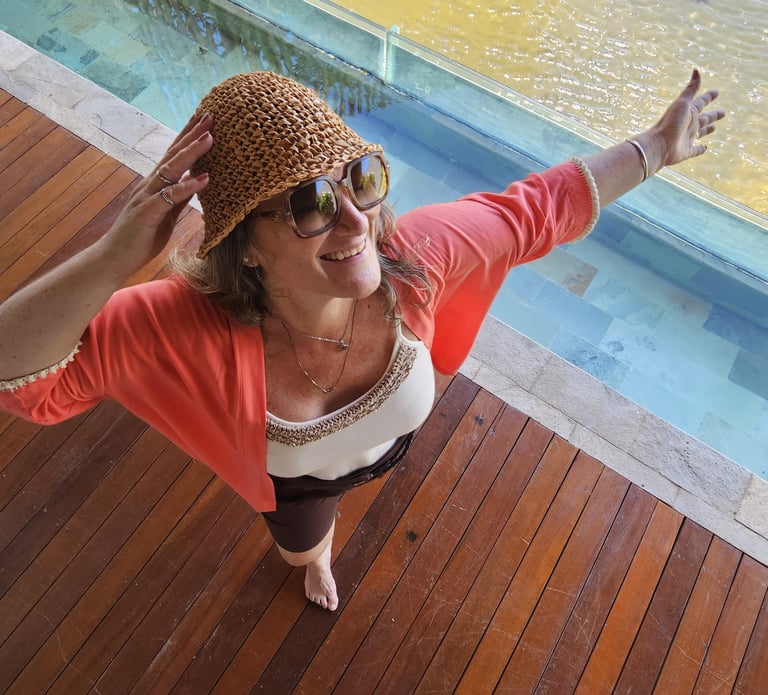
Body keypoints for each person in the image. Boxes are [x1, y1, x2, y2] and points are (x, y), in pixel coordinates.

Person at [0, 69, 724, 611]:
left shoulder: (420, 257)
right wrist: (110, 260)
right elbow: (22, 379)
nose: (356, 221)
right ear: (246, 246)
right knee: (302, 545)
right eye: (311, 203)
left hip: (387, 444)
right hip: (294, 486)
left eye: (360, 178)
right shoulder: (180, 327)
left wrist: (655, 148)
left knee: (349, 487)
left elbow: (535, 208)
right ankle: (315, 556)